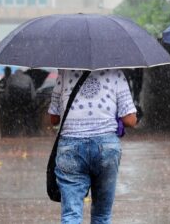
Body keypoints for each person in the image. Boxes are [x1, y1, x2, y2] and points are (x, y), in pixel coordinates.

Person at [48, 69, 138, 224]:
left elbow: (54, 118)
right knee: (102, 216)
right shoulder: (115, 73)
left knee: (71, 215)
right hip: (106, 149)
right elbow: (130, 119)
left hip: (71, 147)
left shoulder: (64, 72)